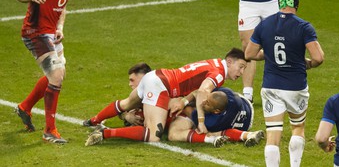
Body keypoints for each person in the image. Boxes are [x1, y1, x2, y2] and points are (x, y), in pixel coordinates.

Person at [84, 48, 248, 145]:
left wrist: (183, 101)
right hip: (162, 86)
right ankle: (105, 133)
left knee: (126, 104)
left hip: (157, 76)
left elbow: (197, 90)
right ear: (229, 61)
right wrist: (201, 123)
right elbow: (202, 93)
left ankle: (93, 121)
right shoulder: (219, 73)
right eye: (240, 67)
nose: (241, 72)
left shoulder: (214, 63)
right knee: (153, 135)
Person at [245, 0, 324, 167]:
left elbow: (249, 54)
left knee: (273, 134)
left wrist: (268, 53)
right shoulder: (304, 27)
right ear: (296, 2)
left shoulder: (264, 24)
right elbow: (318, 58)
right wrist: (309, 64)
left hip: (271, 86)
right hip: (296, 86)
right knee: (297, 127)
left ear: (279, 2)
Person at [14, 0, 74, 143]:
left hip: (51, 33)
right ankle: (50, 130)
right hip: (35, 33)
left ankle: (25, 107)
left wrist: (60, 27)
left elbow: (62, 7)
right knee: (56, 76)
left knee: (58, 75)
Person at [168, 87, 265, 148]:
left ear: (216, 111)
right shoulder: (229, 94)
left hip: (237, 117)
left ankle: (212, 139)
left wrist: (183, 102)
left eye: (208, 103)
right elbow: (201, 92)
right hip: (246, 107)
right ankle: (247, 135)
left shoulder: (212, 122)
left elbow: (190, 106)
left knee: (174, 134)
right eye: (208, 98)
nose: (204, 102)